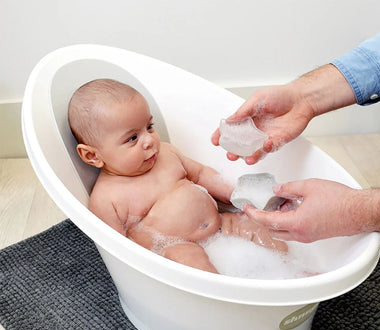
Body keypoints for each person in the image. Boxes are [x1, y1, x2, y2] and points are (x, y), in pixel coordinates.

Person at [211, 8, 380, 243]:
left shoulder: (174, 160)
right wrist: (303, 97)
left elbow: (206, 178)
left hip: (225, 223)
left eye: (154, 126)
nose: (154, 139)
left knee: (272, 242)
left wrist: (357, 210)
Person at [68, 79, 287, 273]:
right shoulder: (107, 199)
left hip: (221, 222)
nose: (149, 140)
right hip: (174, 247)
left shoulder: (166, 153)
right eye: (132, 138)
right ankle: (226, 299)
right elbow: (117, 250)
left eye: (149, 126)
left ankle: (291, 275)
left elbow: (201, 174)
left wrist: (235, 194)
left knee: (267, 234)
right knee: (195, 266)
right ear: (92, 156)